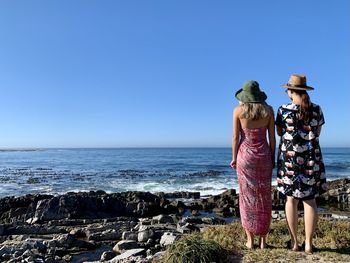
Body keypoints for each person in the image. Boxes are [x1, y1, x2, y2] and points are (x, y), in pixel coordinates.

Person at [275, 74, 327, 254]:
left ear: (290, 91)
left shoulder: (283, 109)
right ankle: (309, 244)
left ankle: (295, 243)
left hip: (289, 160)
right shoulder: (317, 109)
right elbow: (318, 133)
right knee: (310, 201)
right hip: (311, 159)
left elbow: (279, 132)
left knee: (291, 200)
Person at [230, 80, 275, 249]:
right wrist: (272, 157)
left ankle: (250, 240)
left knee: (246, 196)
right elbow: (272, 138)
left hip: (245, 156)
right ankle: (263, 240)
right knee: (264, 196)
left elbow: (236, 138)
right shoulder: (268, 110)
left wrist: (234, 157)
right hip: (264, 155)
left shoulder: (238, 111)